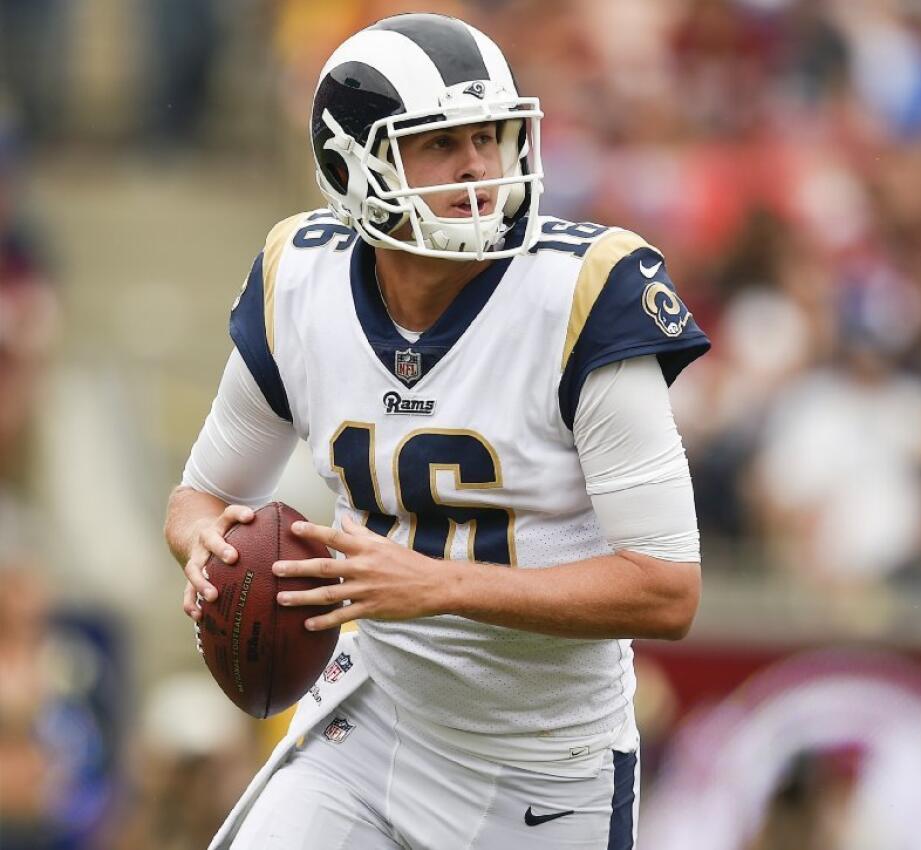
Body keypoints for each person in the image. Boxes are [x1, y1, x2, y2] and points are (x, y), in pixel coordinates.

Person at [162, 12, 709, 850]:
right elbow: (202, 497)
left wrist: (440, 585)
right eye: (441, 144)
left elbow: (669, 589)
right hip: (371, 720)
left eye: (490, 137)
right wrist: (205, 546)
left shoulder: (583, 296)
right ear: (354, 164)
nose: (479, 167)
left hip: (543, 767)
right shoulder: (298, 281)